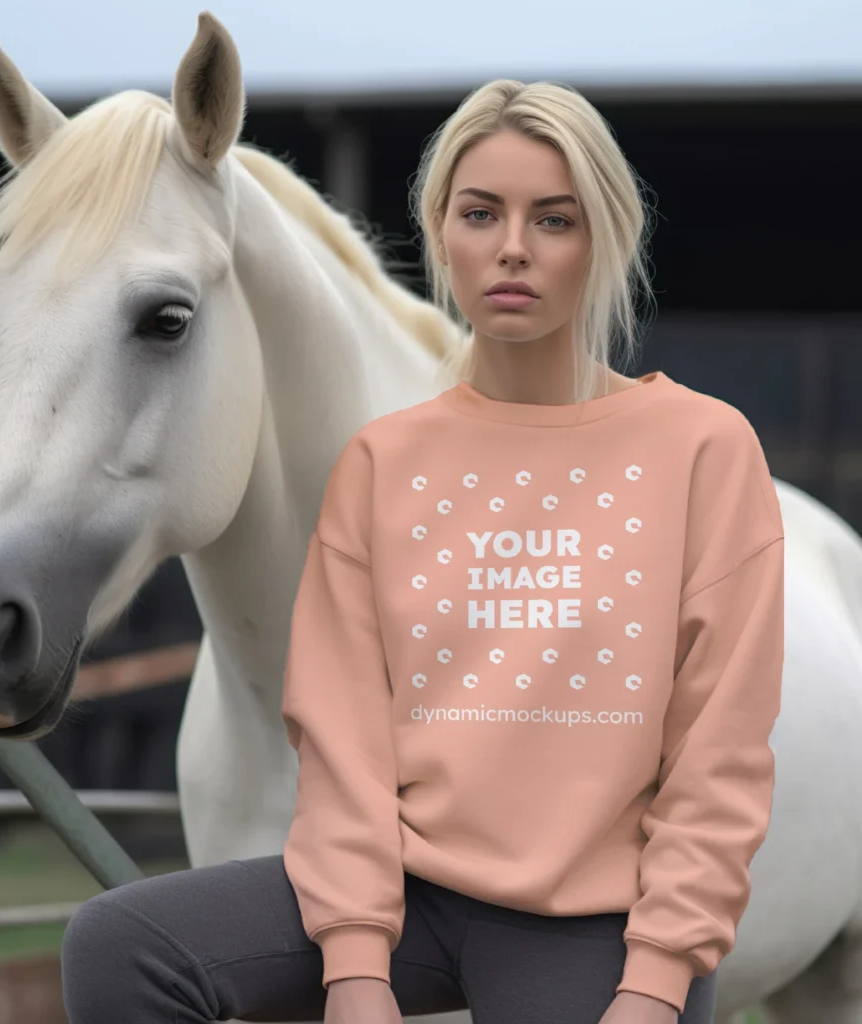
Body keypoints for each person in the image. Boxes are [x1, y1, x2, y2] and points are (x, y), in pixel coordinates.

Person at [60, 78, 784, 1024]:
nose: (513, 247)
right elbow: (345, 737)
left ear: (603, 236)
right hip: (414, 899)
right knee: (118, 949)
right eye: (481, 213)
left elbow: (718, 757)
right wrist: (357, 972)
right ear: (441, 228)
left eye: (553, 219)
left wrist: (654, 986)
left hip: (596, 924)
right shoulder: (383, 461)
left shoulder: (703, 448)